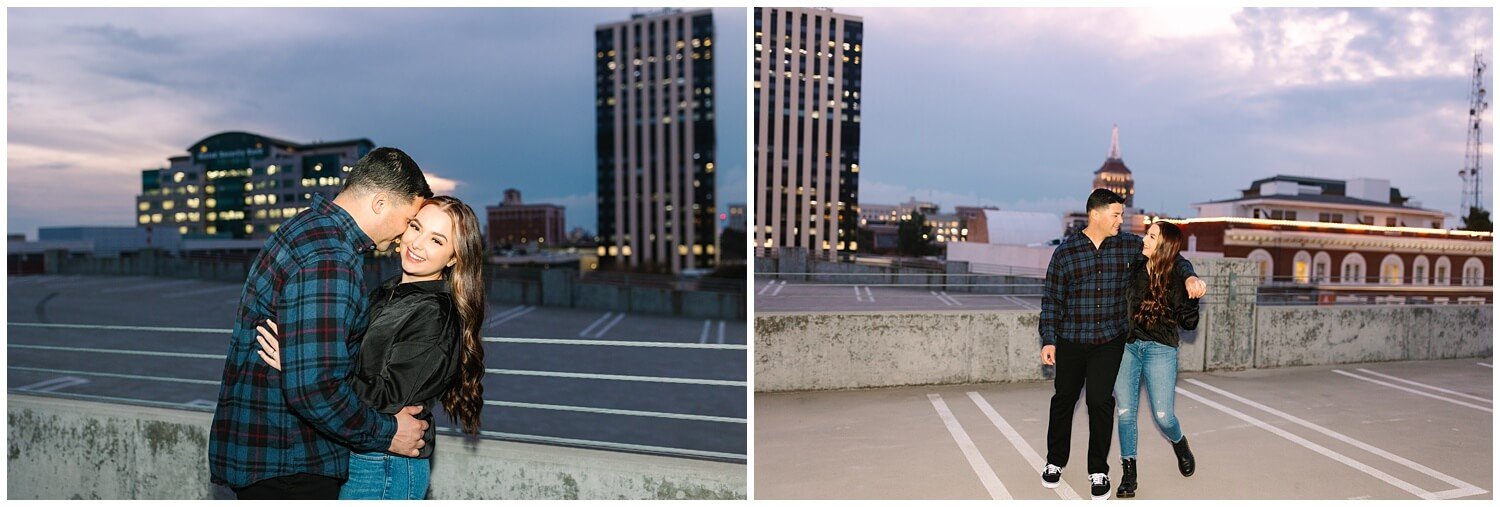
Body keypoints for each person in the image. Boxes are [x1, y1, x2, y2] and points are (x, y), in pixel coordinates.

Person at [209, 147, 434, 500]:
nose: (405, 237)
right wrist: (389, 433)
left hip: (270, 456)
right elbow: (315, 390)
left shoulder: (305, 230)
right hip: (291, 462)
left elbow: (312, 373)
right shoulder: (330, 258)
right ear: (379, 203)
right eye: (408, 221)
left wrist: (298, 365)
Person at [253, 195, 487, 499]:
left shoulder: (434, 312)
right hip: (364, 453)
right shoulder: (387, 292)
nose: (417, 243)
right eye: (416, 228)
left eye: (436, 240)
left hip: (385, 464)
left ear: (454, 258)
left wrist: (306, 367)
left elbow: (387, 397)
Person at [1037, 188, 1206, 500]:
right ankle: (1054, 461)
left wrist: (1189, 277)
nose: (1121, 220)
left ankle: (1098, 469)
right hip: (1072, 339)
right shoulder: (1065, 253)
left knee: (1101, 403)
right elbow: (1051, 301)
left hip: (1110, 340)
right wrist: (1049, 339)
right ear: (1097, 214)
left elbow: (1172, 256)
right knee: (1064, 400)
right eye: (1116, 215)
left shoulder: (1128, 246)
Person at [1113, 221, 1198, 499]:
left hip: (1161, 349)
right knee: (1125, 412)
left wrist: (1191, 290)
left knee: (1163, 417)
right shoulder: (1135, 265)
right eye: (1146, 234)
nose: (1144, 240)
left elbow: (1188, 323)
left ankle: (1179, 442)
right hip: (1129, 345)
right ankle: (1129, 474)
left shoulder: (1176, 274)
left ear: (1164, 246)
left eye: (1151, 237)